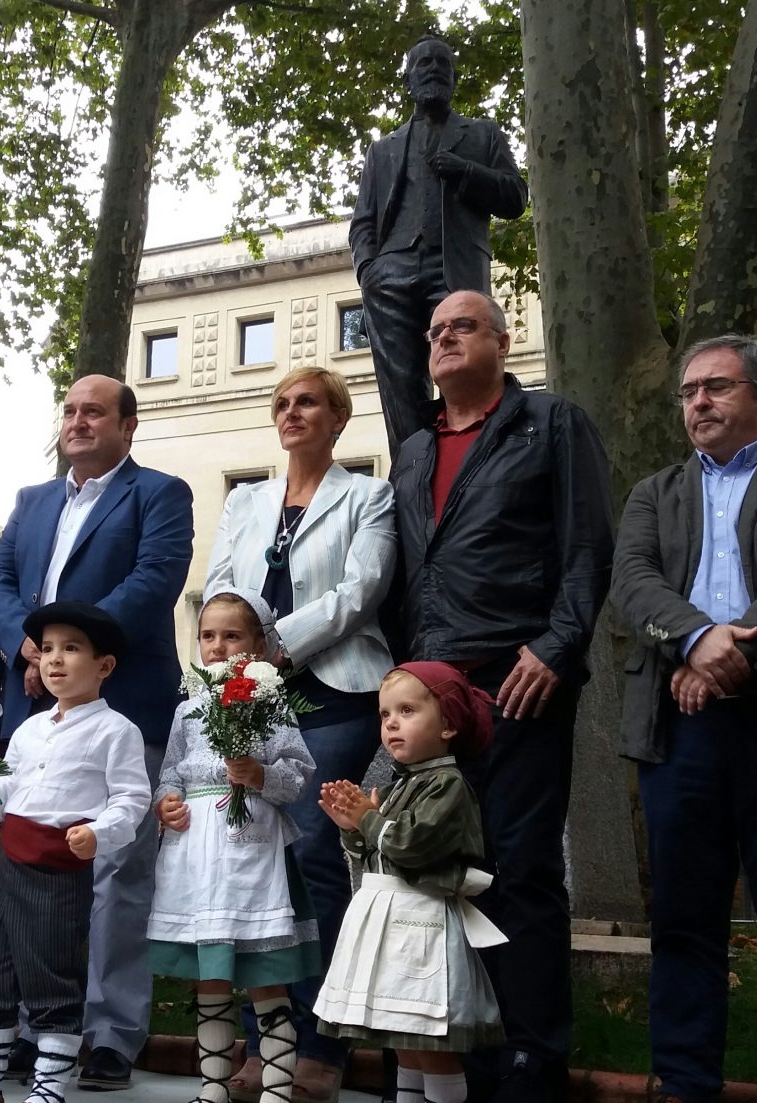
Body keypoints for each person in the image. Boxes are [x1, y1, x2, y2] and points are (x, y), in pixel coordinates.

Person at [388, 290, 612, 1100]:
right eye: (436, 330)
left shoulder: (550, 423)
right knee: (438, 866)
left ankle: (529, 1055)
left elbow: (588, 545)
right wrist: (403, 676)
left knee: (518, 870)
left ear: (502, 340)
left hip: (517, 679)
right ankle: (455, 1047)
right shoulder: (413, 449)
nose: (445, 338)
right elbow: (408, 569)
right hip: (432, 687)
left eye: (464, 327)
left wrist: (557, 645)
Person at [611, 334, 757, 1102]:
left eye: (715, 387)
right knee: (683, 925)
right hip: (678, 732)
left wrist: (729, 655)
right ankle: (685, 1084)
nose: (698, 403)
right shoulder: (653, 494)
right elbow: (634, 581)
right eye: (688, 392)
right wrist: (695, 637)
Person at [0, 375, 192, 1089]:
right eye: (69, 410)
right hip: (33, 705)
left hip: (122, 703)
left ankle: (106, 1033)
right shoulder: (33, 500)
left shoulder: (160, 494)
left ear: (128, 426)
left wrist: (70, 648)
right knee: (28, 871)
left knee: (115, 874)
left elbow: (152, 580)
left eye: (94, 411)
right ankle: (38, 1029)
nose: (77, 421)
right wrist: (30, 649)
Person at [203, 364, 395, 1103]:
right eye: (281, 403)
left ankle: (320, 1042)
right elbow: (223, 583)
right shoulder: (247, 500)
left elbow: (361, 589)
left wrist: (277, 642)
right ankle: (267, 1045)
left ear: (338, 417)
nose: (291, 412)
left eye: (307, 401)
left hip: (335, 686)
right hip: (249, 689)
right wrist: (235, 659)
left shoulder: (367, 495)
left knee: (314, 853)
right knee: (256, 859)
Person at [0, 601, 150, 1103]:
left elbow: (131, 798)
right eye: (48, 649)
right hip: (10, 862)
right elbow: (9, 791)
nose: (55, 660)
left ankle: (50, 1086)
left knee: (52, 974)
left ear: (104, 666)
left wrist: (100, 831)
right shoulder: (31, 728)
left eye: (71, 649)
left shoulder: (116, 730)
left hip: (58, 868)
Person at [148, 588, 318, 1103]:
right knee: (210, 978)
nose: (218, 646)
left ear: (260, 647)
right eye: (207, 635)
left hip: (252, 851)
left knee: (265, 974)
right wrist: (168, 803)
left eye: (232, 635)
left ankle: (277, 1090)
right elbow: (170, 771)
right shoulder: (186, 710)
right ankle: (214, 1088)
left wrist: (260, 774)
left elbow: (298, 774)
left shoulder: (271, 705)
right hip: (197, 855)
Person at [315, 663, 506, 1103]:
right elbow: (378, 854)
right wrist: (353, 826)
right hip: (391, 920)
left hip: (422, 925)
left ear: (447, 726)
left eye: (407, 710)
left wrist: (367, 817)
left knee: (427, 1038)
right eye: (385, 715)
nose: (392, 723)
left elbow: (411, 845)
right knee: (404, 1042)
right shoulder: (404, 783)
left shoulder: (447, 785)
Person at [349, 35, 528, 457]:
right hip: (390, 274)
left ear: (453, 78)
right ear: (408, 80)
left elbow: (515, 197)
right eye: (423, 63)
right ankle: (411, 469)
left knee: (466, 368)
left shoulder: (482, 135)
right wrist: (369, 272)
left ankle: (471, 458)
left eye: (442, 64)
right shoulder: (383, 149)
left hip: (455, 271)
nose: (433, 69)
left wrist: (466, 171)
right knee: (400, 383)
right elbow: (363, 223)